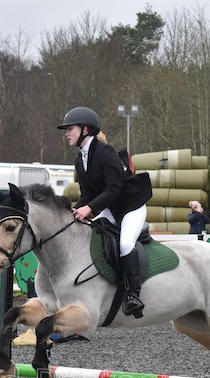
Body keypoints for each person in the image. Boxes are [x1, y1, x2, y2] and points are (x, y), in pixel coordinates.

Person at [59, 106, 151, 317]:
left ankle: (133, 295)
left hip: (130, 207)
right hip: (110, 208)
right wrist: (74, 212)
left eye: (70, 129)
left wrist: (89, 209)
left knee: (126, 243)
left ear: (85, 129)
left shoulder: (105, 152)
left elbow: (114, 188)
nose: (66, 134)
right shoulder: (79, 160)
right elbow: (87, 194)